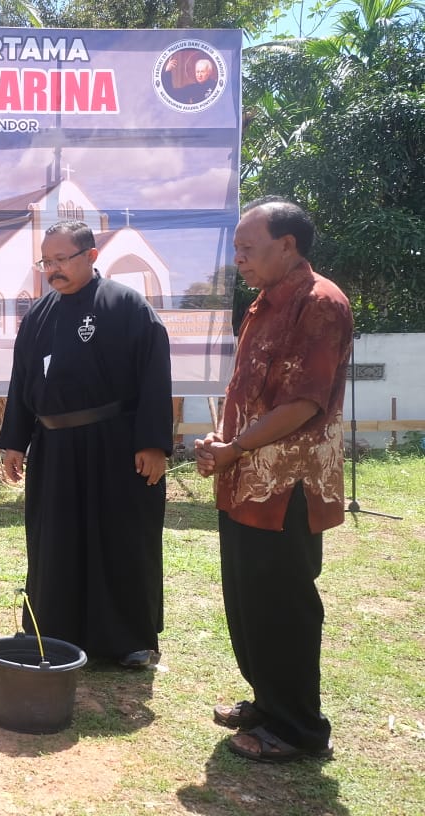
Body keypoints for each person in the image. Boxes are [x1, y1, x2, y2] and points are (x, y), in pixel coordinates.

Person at [195, 197, 350, 763]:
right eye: (236, 249)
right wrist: (222, 440)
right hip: (244, 481)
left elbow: (304, 403)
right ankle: (268, 702)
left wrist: (235, 446)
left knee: (283, 604)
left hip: (288, 486)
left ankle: (299, 728)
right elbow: (244, 390)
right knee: (247, 597)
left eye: (247, 248)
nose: (238, 259)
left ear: (287, 245)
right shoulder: (263, 304)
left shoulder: (321, 304)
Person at [0, 219, 172, 669]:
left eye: (61, 259)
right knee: (54, 541)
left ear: (91, 256)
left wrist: (154, 443)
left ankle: (131, 640)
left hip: (115, 445)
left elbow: (154, 376)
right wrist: (14, 441)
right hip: (54, 449)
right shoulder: (39, 314)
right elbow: (22, 380)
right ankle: (54, 633)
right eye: (46, 261)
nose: (51, 269)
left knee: (121, 539)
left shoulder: (126, 306)